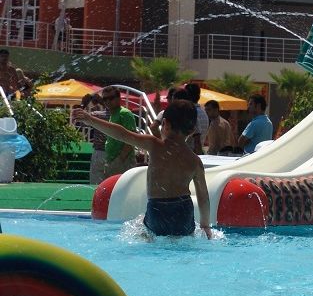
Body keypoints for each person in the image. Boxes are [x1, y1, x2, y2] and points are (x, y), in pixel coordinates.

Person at [73, 99, 212, 239]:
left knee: (145, 235)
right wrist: (205, 225)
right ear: (192, 130)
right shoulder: (195, 161)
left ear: (165, 124)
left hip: (158, 209)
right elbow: (203, 196)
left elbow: (122, 134)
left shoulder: (154, 145)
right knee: (181, 242)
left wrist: (91, 120)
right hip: (184, 211)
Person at [100, 86, 138, 177]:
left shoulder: (124, 113)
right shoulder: (113, 115)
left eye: (111, 98)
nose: (108, 101)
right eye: (105, 99)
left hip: (123, 161)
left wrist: (119, 160)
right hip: (112, 160)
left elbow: (132, 139)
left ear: (118, 98)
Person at [86, 93, 109, 185]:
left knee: (96, 183)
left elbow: (82, 121)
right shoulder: (122, 115)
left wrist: (86, 105)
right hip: (115, 153)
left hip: (100, 151)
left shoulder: (97, 115)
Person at [184, 83, 209, 155]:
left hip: (189, 153)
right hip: (198, 153)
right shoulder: (204, 113)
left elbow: (196, 139)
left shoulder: (190, 113)